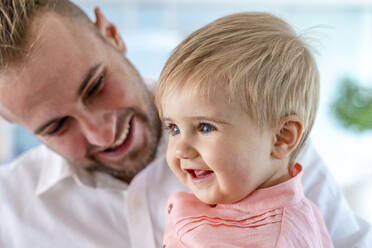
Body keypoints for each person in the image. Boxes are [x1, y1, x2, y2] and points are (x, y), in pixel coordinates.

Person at [0, 0, 370, 247]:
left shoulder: (263, 147)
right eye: (57, 126)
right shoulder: (9, 213)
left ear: (112, 35)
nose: (103, 132)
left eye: (96, 87)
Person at [155, 12, 332, 247]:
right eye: (174, 128)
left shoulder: (279, 238)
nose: (181, 150)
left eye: (205, 127)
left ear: (281, 137)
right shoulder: (232, 204)